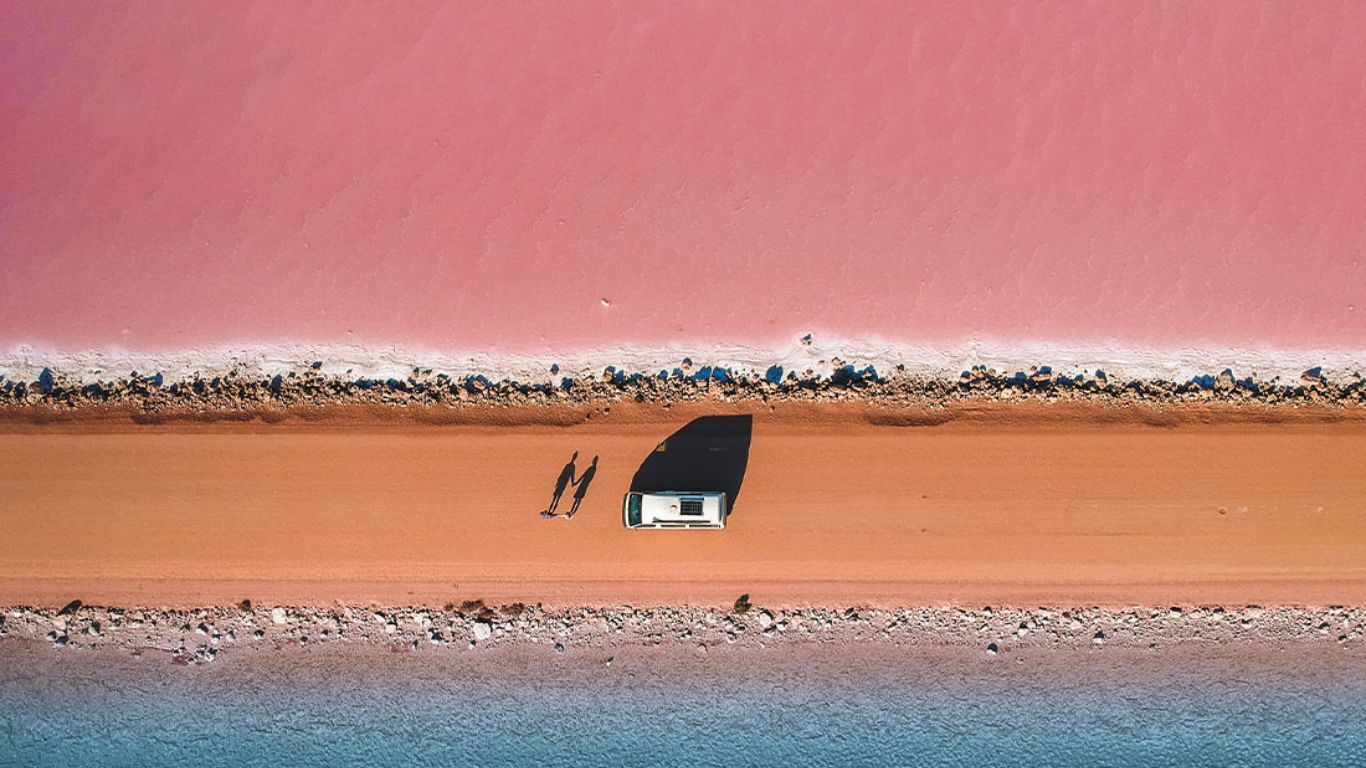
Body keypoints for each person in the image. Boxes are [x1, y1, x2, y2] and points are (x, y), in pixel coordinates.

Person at [540, 452, 577, 518]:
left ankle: (550, 512)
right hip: (563, 484)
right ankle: (551, 512)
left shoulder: (568, 465)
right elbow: (571, 476)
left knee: (555, 498)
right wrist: (573, 482)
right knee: (557, 498)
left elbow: (562, 474)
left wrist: (557, 482)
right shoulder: (572, 467)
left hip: (561, 483)